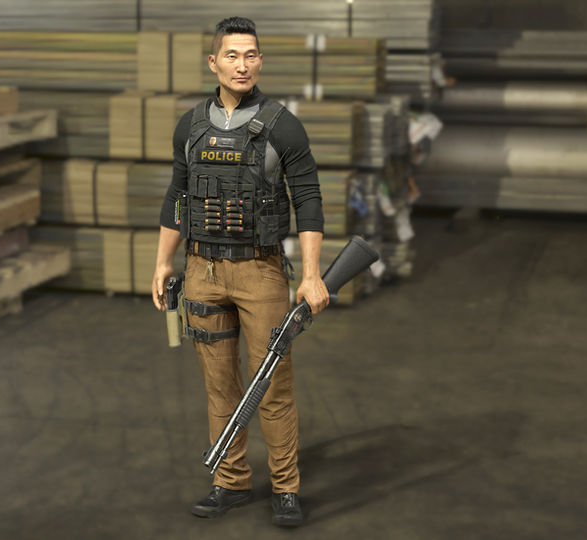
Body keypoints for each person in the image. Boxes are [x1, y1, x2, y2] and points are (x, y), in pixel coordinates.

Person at [151, 16, 328, 528]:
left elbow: (308, 199)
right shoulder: (190, 126)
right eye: (232, 55)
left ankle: (286, 488)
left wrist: (311, 274)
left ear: (260, 61)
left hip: (261, 272)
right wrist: (163, 262)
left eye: (250, 55)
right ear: (214, 62)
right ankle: (229, 481)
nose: (242, 64)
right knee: (220, 386)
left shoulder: (282, 125)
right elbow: (178, 196)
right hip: (202, 270)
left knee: (272, 385)